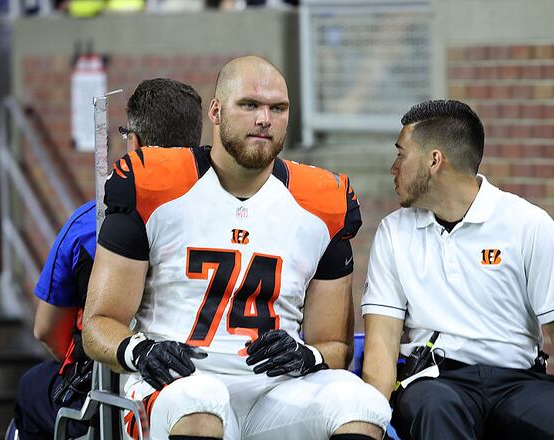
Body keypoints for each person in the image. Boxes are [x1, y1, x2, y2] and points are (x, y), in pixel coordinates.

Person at [83, 55, 390, 440]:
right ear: (216, 110)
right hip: (177, 385)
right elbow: (97, 325)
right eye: (249, 105)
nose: (265, 119)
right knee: (201, 399)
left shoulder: (321, 203)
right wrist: (141, 352)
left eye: (277, 108)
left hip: (274, 393)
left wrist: (307, 355)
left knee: (363, 404)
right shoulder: (156, 187)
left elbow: (334, 347)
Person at [360, 99, 554, 440]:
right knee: (435, 410)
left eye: (401, 154)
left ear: (434, 161)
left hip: (520, 383)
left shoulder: (529, 225)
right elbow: (382, 346)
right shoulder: (393, 233)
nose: (393, 167)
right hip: (436, 381)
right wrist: (371, 427)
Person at [11, 77, 204, 440]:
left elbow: (47, 331)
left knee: (31, 386)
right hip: (204, 376)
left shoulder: (89, 224)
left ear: (134, 141)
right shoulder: (225, 218)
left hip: (113, 398)